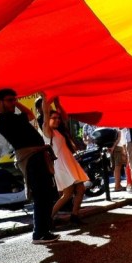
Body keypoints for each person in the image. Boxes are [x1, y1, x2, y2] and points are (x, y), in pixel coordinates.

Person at [0, 83, 61, 244]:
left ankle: (44, 230)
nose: (12, 103)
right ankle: (39, 233)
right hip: (30, 158)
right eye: (9, 100)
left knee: (46, 194)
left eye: (13, 100)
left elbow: (30, 114)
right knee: (40, 194)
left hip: (38, 155)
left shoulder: (16, 116)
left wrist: (15, 102)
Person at [42, 96, 88, 224]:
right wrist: (45, 98)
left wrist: (57, 103)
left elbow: (64, 116)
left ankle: (74, 215)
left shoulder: (59, 131)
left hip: (68, 162)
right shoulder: (47, 131)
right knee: (67, 194)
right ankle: (47, 219)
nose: (57, 120)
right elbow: (46, 112)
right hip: (61, 164)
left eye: (58, 118)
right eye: (54, 118)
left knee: (81, 189)